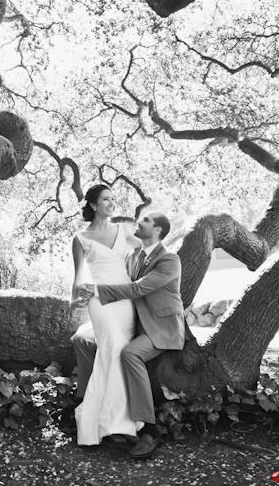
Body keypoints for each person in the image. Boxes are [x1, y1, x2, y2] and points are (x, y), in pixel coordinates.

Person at [76, 211, 184, 459]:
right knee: (82, 340)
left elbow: (139, 288)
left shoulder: (169, 259)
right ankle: (88, 405)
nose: (139, 223)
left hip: (161, 328)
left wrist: (96, 291)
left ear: (157, 230)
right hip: (136, 324)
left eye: (145, 221)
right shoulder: (134, 257)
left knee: (129, 354)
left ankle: (149, 429)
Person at [68, 184, 141, 447]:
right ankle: (117, 426)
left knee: (116, 355)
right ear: (94, 205)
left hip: (124, 300)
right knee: (114, 348)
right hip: (99, 300)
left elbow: (150, 250)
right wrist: (76, 298)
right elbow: (77, 279)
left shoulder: (125, 230)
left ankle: (100, 419)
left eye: (113, 198)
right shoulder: (80, 237)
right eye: (106, 199)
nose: (112, 203)